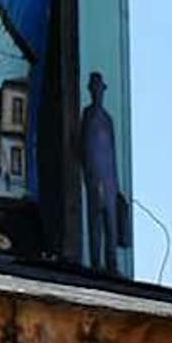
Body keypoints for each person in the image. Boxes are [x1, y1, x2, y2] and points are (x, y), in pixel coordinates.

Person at [76, 70, 126, 268]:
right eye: (94, 89)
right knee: (95, 222)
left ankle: (111, 263)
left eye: (100, 89)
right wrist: (90, 176)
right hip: (95, 177)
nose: (97, 93)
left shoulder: (108, 119)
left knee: (111, 224)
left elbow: (112, 153)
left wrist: (117, 185)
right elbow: (83, 148)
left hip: (109, 179)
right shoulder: (88, 115)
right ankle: (96, 263)